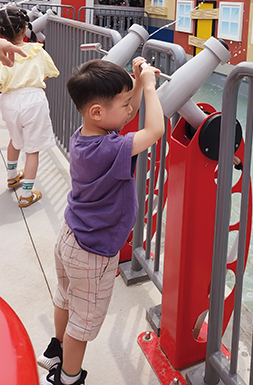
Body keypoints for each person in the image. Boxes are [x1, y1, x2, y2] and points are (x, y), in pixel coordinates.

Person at [38, 57, 164, 385]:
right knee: (83, 323)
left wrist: (137, 84)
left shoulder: (86, 136)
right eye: (124, 104)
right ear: (97, 112)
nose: (129, 110)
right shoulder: (111, 148)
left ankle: (56, 350)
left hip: (71, 238)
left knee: (65, 298)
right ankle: (68, 378)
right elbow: (155, 130)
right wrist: (151, 87)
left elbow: (125, 114)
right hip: (92, 253)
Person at [0, 7, 59, 206]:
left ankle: (11, 176)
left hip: (9, 100)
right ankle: (27, 194)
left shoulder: (2, 54)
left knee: (14, 139)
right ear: (24, 28)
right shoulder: (37, 50)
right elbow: (49, 73)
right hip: (34, 100)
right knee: (32, 149)